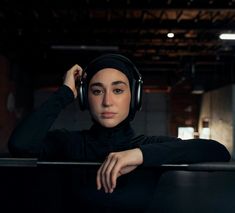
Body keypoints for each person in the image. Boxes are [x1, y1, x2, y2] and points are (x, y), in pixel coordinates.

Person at [8, 53, 230, 212]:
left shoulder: (148, 145)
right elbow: (20, 145)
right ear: (85, 98)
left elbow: (217, 151)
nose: (107, 101)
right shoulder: (68, 143)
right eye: (96, 91)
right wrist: (64, 93)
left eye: (117, 90)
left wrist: (139, 155)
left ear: (135, 97)